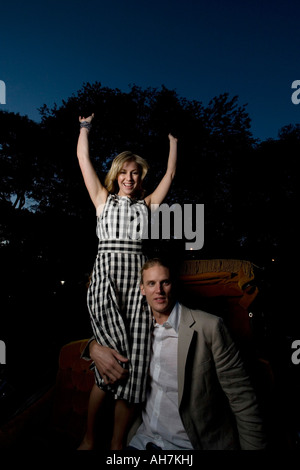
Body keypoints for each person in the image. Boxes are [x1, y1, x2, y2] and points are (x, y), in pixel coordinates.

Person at [88, 257, 267, 450]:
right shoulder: (136, 330)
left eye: (165, 282)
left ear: (173, 285)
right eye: (151, 283)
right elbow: (105, 335)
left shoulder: (210, 327)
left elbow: (243, 399)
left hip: (188, 446)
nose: (159, 290)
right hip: (143, 441)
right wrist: (93, 348)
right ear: (142, 289)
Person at [76, 114, 178, 450]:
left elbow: (171, 175)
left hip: (135, 282)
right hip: (106, 277)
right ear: (116, 174)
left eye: (135, 173)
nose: (130, 177)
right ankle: (90, 439)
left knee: (134, 365)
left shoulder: (147, 206)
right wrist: (85, 128)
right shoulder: (102, 200)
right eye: (124, 172)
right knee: (113, 356)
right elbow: (82, 158)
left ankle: (118, 444)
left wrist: (173, 143)